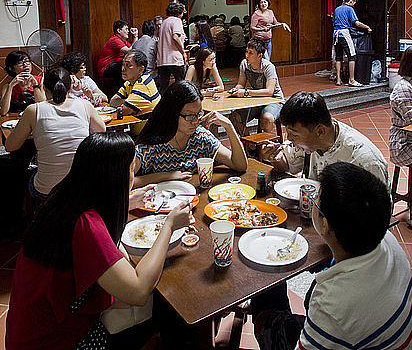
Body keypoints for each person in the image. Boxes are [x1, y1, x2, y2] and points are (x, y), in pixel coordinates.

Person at [6, 132, 194, 350]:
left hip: (30, 334)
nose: (132, 178)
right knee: (168, 312)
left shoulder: (65, 198)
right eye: (131, 171)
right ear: (114, 177)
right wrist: (169, 225)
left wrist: (126, 201)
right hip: (59, 341)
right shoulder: (86, 226)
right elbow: (138, 291)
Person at [253, 163, 412, 350]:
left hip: (348, 327)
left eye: (317, 198)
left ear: (326, 225)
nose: (313, 200)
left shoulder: (333, 305)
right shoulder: (386, 239)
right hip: (378, 334)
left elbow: (334, 310)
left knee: (264, 303)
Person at [5, 67, 106, 199]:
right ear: (69, 89)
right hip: (82, 185)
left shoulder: (33, 110)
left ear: (45, 88)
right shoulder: (85, 105)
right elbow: (101, 131)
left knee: (28, 172)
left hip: (47, 189)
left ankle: (30, 214)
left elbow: (10, 146)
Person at [133, 81, 247, 186]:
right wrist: (165, 176)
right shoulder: (152, 146)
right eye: (189, 116)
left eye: (199, 114)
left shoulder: (200, 137)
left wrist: (229, 126)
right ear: (172, 114)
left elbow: (240, 165)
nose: (196, 121)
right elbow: (123, 182)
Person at [265, 91, 389, 186]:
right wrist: (275, 158)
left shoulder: (363, 160)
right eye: (288, 132)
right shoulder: (308, 143)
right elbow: (287, 165)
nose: (289, 138)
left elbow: (379, 212)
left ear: (320, 131)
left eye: (294, 134)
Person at [229, 39, 284, 134]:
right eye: (246, 52)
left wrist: (246, 93)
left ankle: (269, 145)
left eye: (251, 53)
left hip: (274, 100)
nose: (247, 56)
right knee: (234, 117)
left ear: (259, 55)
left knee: (267, 119)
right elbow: (241, 84)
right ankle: (250, 145)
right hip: (257, 99)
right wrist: (236, 89)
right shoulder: (244, 64)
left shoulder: (268, 67)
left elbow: (269, 92)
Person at [333, 0, 372, 87]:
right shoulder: (350, 9)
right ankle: (352, 80)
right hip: (344, 33)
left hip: (335, 34)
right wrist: (367, 27)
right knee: (352, 56)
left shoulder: (337, 9)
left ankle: (338, 79)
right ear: (351, 1)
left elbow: (334, 21)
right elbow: (357, 23)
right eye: (354, 3)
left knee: (338, 57)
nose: (354, 5)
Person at [110, 50, 160, 116]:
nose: (123, 69)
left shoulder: (143, 84)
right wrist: (127, 101)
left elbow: (124, 110)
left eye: (128, 65)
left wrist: (125, 103)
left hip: (148, 125)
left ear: (140, 70)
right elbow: (112, 101)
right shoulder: (129, 82)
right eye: (123, 64)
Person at [0, 51, 45, 115]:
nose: (25, 65)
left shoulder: (40, 80)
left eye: (27, 61)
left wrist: (35, 85)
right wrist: (11, 86)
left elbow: (43, 107)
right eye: (19, 63)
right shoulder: (7, 86)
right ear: (12, 69)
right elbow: (3, 112)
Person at [157, 1, 187, 94]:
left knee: (164, 87)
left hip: (162, 60)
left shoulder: (164, 22)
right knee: (181, 84)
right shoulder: (176, 20)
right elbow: (175, 37)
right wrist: (183, 52)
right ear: (179, 13)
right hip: (174, 59)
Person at [98, 20, 138, 88]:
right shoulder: (114, 40)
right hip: (106, 68)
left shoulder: (122, 40)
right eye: (126, 29)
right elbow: (129, 51)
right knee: (126, 66)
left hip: (115, 66)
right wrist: (135, 36)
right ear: (119, 30)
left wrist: (135, 36)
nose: (128, 31)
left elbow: (133, 49)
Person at [132, 20, 159, 88]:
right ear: (153, 30)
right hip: (150, 75)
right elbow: (158, 60)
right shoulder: (154, 43)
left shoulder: (135, 43)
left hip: (136, 75)